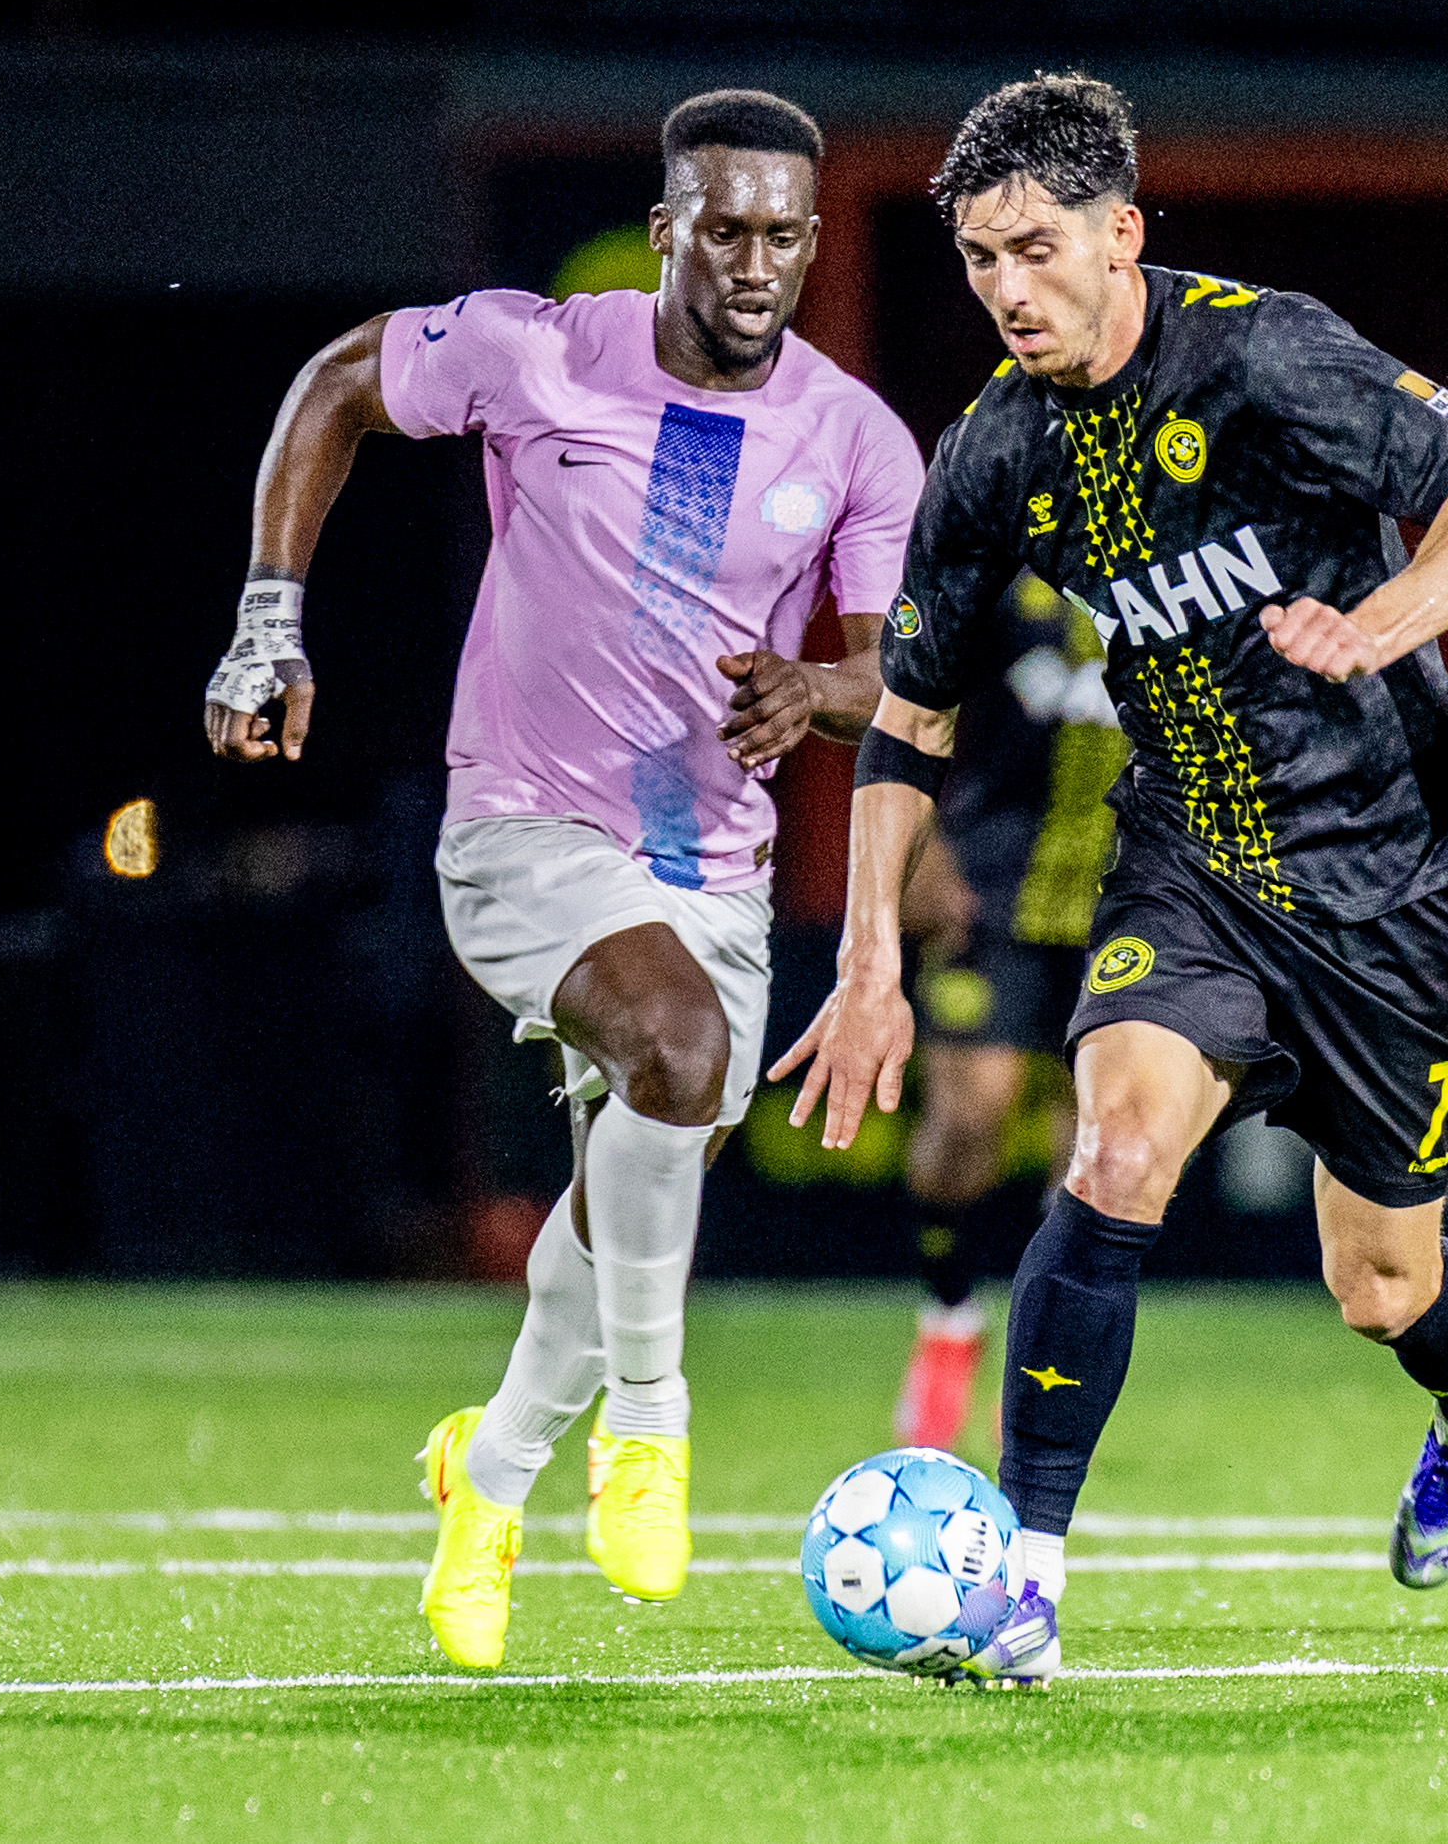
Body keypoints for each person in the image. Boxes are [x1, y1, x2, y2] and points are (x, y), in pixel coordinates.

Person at [776, 75, 1448, 1685]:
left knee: (1378, 1283)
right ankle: (1025, 1583)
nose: (1006, 288)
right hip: (1188, 851)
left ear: (1122, 235)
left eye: (1036, 248)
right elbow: (908, 723)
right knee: (1116, 1149)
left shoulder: (1264, 354)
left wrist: (1382, 622)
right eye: (978, 258)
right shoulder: (993, 452)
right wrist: (866, 958)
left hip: (1386, 872)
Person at [204, 90, 923, 1671]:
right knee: (675, 1053)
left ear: (810, 243)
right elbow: (335, 386)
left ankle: (497, 1463)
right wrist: (271, 617)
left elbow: (889, 685)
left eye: (782, 235)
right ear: (667, 230)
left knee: (622, 1206)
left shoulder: (857, 437)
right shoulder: (541, 351)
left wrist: (811, 696)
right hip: (525, 828)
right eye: (721, 229)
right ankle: (651, 1425)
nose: (752, 262)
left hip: (711, 868)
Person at [892, 575, 1125, 1451]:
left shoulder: (1174, 563)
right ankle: (947, 1317)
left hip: (1126, 895)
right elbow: (910, 701)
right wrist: (919, 847)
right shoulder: (1005, 571)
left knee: (1098, 1145)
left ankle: (1041, 1348)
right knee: (967, 1119)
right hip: (989, 884)